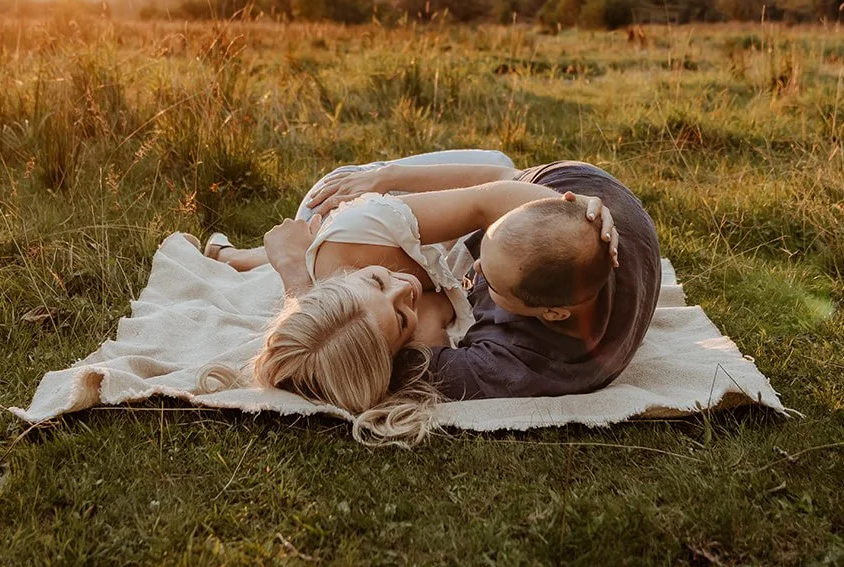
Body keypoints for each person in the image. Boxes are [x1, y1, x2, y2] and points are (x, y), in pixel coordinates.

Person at [197, 159, 620, 443]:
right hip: (352, 241)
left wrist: (293, 269)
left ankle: (261, 253)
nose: (407, 289)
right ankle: (260, 253)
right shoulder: (375, 297)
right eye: (402, 317)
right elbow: (480, 207)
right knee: (334, 252)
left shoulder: (354, 236)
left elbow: (489, 195)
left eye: (379, 281)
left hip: (366, 203)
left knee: (504, 166)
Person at [305, 159, 660, 402]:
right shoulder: (565, 216)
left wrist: (295, 271)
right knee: (320, 208)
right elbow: (495, 186)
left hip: (553, 198)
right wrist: (386, 177)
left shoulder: (508, 365)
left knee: (310, 211)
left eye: (488, 280)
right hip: (572, 181)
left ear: (552, 313)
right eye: (482, 248)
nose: (472, 269)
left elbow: (356, 367)